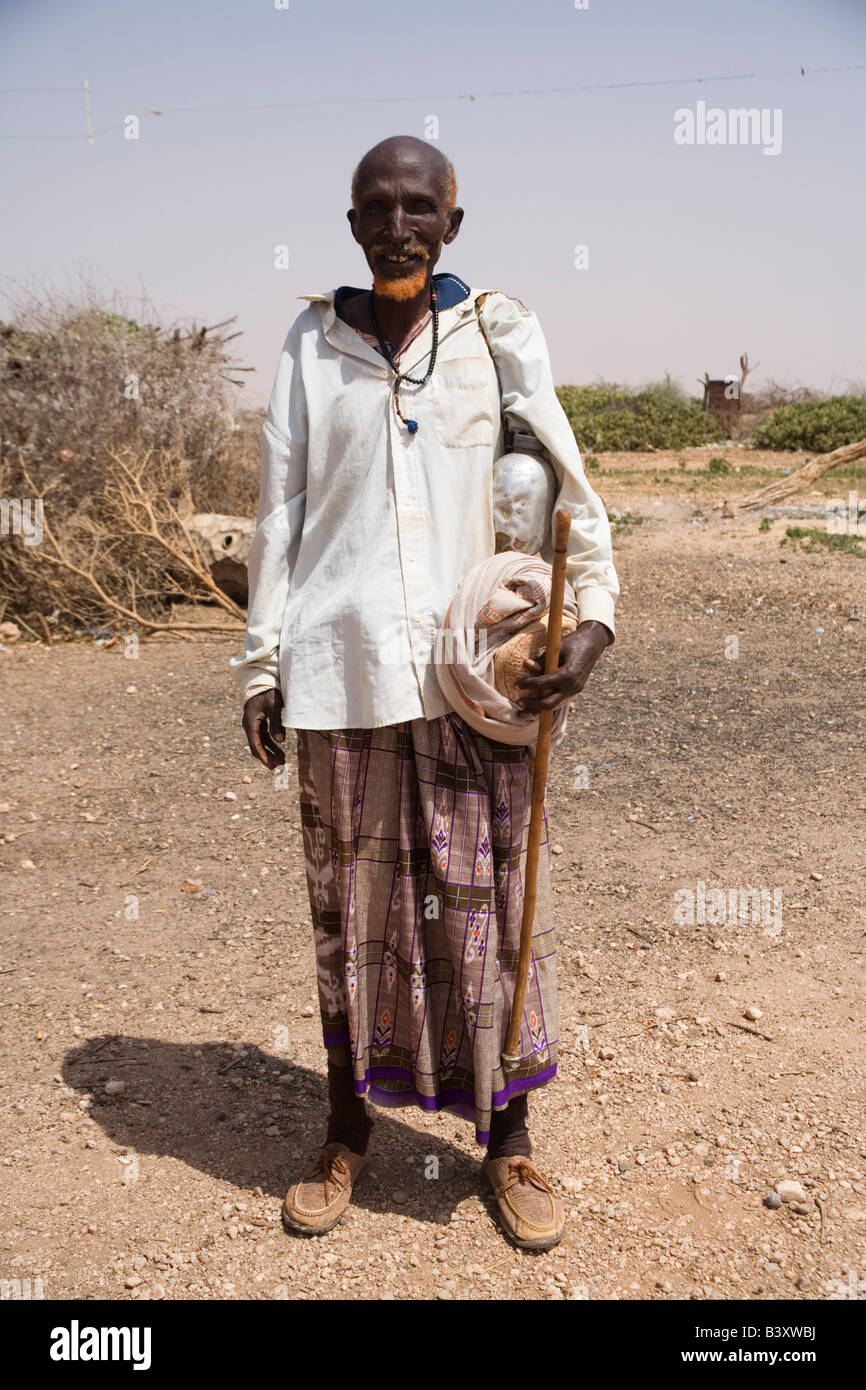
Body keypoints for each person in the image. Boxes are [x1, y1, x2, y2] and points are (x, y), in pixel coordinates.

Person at [232, 135, 619, 1251]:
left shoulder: (495, 333)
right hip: (338, 671)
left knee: (487, 911)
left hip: (472, 676)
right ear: (350, 221)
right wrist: (262, 665)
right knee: (347, 918)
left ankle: (510, 1143)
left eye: (417, 208)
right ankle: (344, 1127)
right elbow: (276, 512)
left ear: (452, 222)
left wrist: (588, 622)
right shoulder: (313, 345)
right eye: (374, 209)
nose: (395, 227)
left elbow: (565, 480)